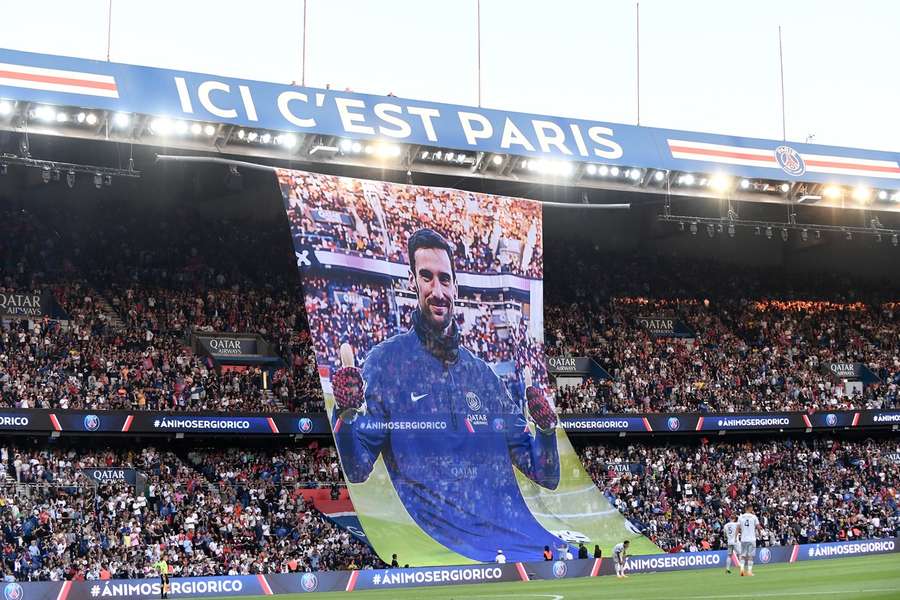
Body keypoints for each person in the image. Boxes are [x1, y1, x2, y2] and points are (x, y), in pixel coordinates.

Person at [331, 228, 565, 563]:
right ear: (413, 281)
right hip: (435, 553)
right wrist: (345, 415)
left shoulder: (483, 375)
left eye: (445, 279)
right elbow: (356, 470)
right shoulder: (385, 363)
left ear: (456, 285)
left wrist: (545, 432)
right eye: (427, 277)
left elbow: (546, 475)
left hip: (507, 549)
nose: (437, 290)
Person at [736, 505, 761, 577]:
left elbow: (738, 528)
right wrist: (759, 533)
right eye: (752, 508)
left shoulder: (740, 517)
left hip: (743, 539)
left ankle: (742, 571)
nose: (752, 509)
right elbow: (758, 527)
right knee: (750, 556)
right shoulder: (754, 517)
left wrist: (735, 537)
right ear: (749, 508)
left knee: (743, 555)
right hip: (751, 539)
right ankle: (749, 572)